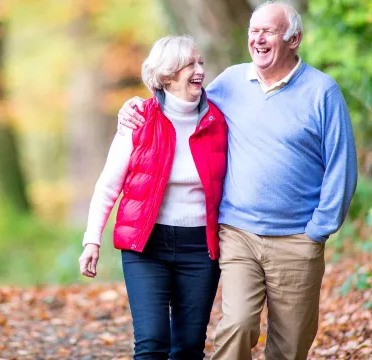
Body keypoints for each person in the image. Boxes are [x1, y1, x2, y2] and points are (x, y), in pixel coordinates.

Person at [117, 2, 358, 360]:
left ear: (294, 39)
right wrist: (138, 106)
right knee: (238, 326)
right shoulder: (230, 82)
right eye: (253, 31)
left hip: (297, 239)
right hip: (238, 232)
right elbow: (183, 106)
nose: (258, 39)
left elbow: (342, 166)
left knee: (290, 345)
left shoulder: (322, 92)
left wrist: (318, 231)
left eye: (268, 31)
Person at [78, 35, 227, 360]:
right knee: (152, 343)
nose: (199, 69)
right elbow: (107, 187)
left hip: (200, 249)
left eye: (200, 62)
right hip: (146, 247)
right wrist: (92, 240)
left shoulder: (219, 120)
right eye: (190, 63)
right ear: (166, 75)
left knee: (188, 347)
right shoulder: (138, 119)